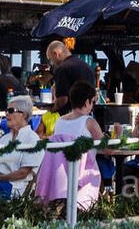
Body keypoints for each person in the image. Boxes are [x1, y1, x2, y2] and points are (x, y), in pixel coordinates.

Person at [36, 82, 103, 210]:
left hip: (59, 176)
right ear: (87, 102)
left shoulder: (60, 121)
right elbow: (106, 147)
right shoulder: (89, 122)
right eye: (92, 102)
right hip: (82, 175)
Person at [45, 41, 96, 115]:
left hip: (71, 116)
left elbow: (63, 100)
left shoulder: (62, 69)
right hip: (88, 115)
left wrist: (51, 110)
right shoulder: (87, 67)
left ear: (55, 53)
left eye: (51, 59)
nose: (52, 63)